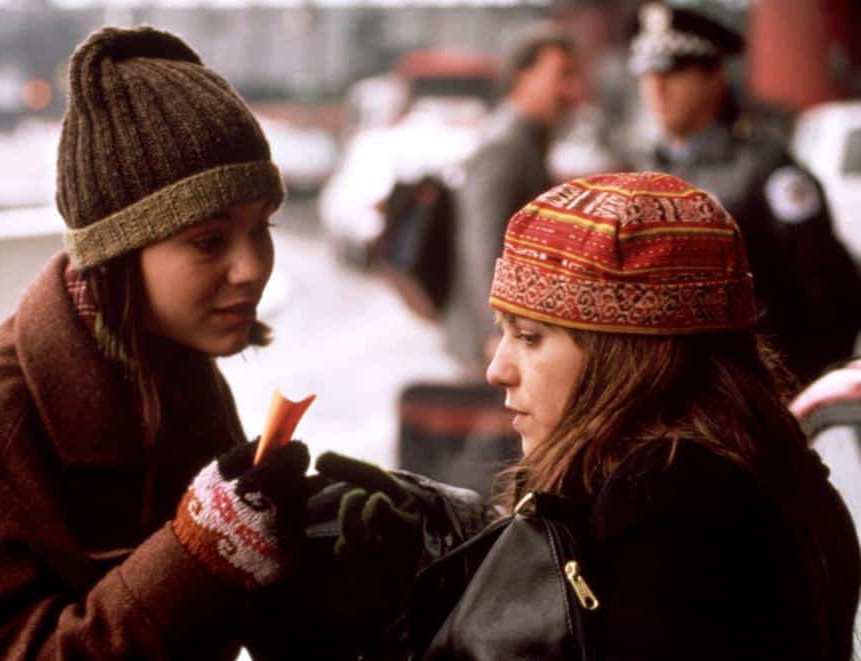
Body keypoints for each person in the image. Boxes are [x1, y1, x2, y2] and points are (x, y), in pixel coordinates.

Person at [0, 26, 312, 658]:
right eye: (208, 239)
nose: (251, 267)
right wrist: (195, 557)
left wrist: (330, 554)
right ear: (116, 251)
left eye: (263, 226)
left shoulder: (177, 373)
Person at [333, 172, 860, 659]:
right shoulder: (754, 466)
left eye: (530, 338)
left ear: (626, 357)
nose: (498, 370)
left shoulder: (670, 506)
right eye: (504, 333)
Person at [628, 1, 861, 384]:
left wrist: (794, 388)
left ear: (715, 76)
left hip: (756, 384)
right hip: (678, 385)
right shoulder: (645, 166)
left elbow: (829, 289)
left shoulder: (763, 165)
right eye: (646, 74)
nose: (656, 88)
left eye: (673, 71)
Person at [442, 22, 583, 375]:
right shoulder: (505, 146)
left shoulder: (527, 142)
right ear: (524, 76)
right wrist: (499, 331)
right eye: (561, 75)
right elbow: (483, 243)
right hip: (494, 347)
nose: (570, 90)